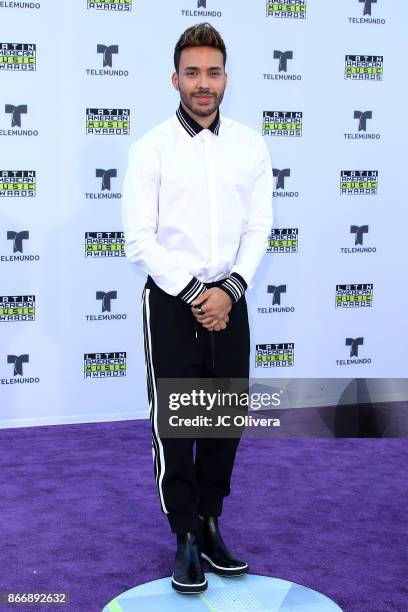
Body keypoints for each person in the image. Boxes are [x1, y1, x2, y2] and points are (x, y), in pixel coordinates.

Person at [122, 22, 273, 594]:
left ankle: (211, 523)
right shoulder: (150, 149)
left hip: (229, 300)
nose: (202, 84)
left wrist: (229, 290)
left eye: (212, 72)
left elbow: (260, 227)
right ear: (175, 79)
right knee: (176, 422)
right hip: (170, 301)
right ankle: (183, 534)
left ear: (226, 78)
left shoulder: (250, 144)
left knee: (224, 418)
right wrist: (194, 295)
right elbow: (140, 239)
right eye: (192, 73)